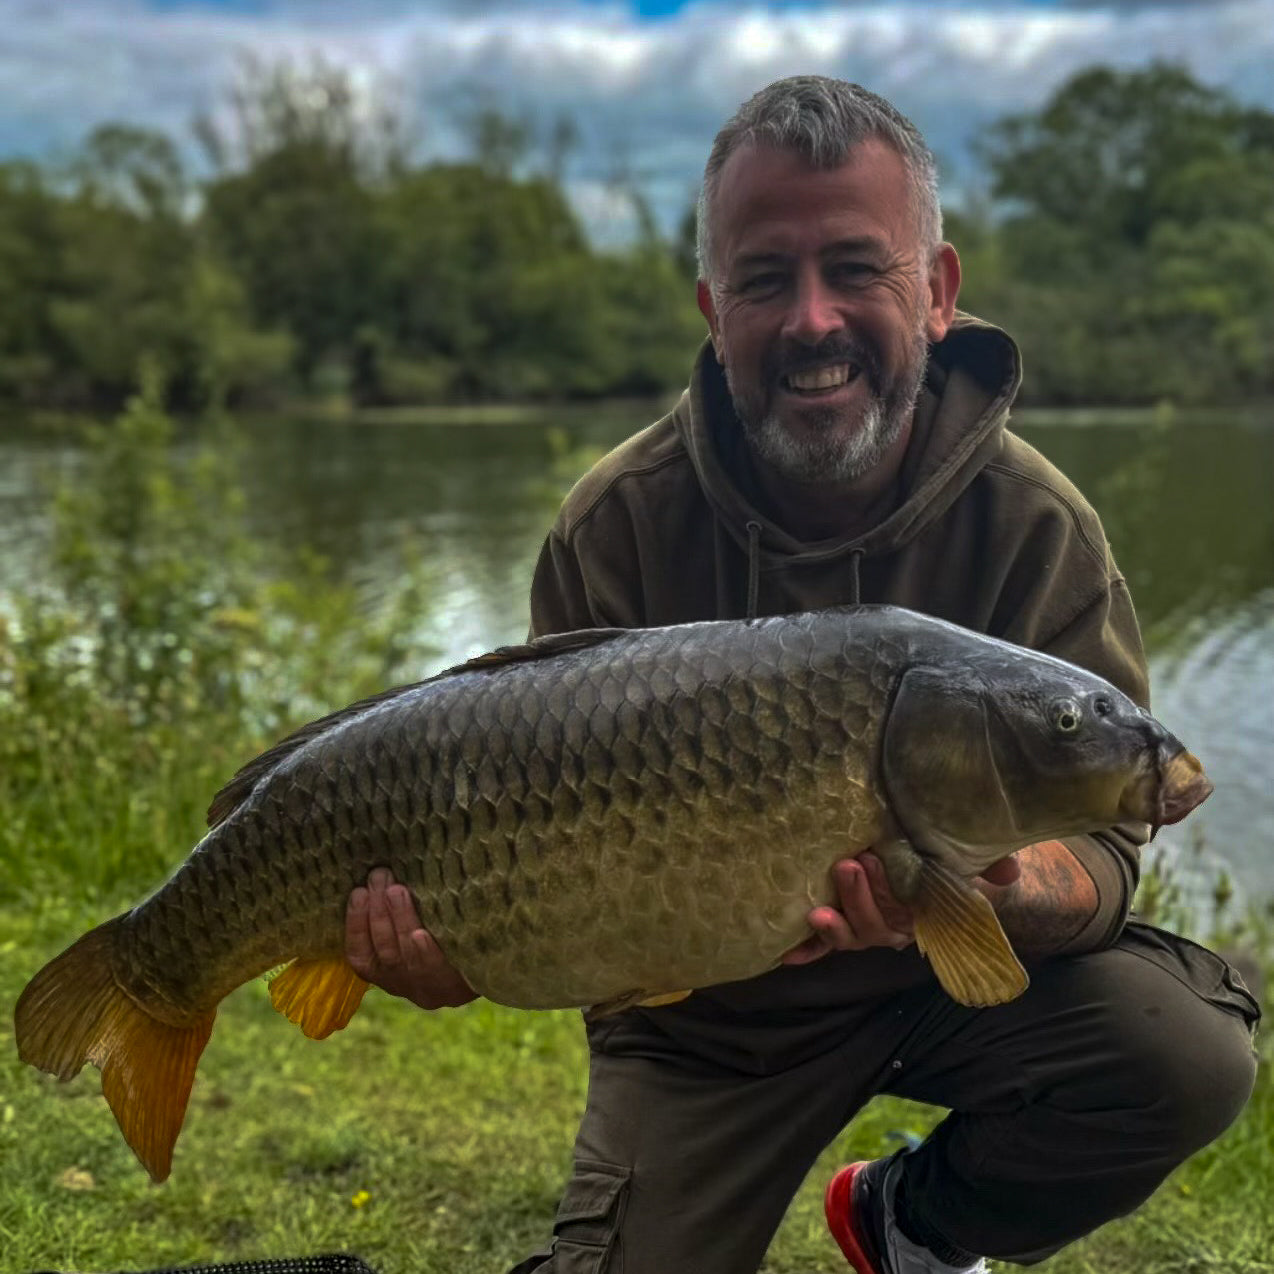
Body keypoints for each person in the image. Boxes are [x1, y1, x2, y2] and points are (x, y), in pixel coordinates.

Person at [343, 77, 1259, 1274]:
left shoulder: (1035, 524)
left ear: (936, 291)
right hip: (707, 1026)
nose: (811, 319)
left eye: (855, 267)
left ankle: (911, 1222)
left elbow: (1105, 854)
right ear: (713, 307)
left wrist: (986, 884)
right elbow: (553, 866)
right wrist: (459, 950)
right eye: (765, 278)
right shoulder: (616, 522)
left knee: (1180, 1050)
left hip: (953, 989)